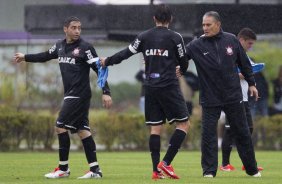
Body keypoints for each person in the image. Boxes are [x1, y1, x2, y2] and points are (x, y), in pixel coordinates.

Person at [13, 16, 112, 179]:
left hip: (79, 94)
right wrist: (25, 57)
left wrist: (106, 92)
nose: (77, 31)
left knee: (60, 126)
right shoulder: (59, 46)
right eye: (74, 27)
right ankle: (95, 171)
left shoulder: (86, 48)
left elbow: (99, 69)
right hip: (71, 94)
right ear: (65, 29)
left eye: (79, 28)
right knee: (82, 131)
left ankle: (63, 169)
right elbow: (45, 55)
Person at [100, 4, 190, 180]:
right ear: (170, 19)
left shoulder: (144, 36)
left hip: (149, 87)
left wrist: (107, 61)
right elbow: (184, 61)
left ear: (154, 19)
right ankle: (165, 163)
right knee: (184, 124)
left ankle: (156, 172)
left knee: (155, 128)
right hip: (169, 86)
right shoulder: (176, 37)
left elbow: (126, 53)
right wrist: (182, 69)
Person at [185, 11, 261, 177]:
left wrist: (252, 84)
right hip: (209, 97)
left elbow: (244, 64)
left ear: (218, 24)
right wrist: (168, 64)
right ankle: (209, 171)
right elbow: (180, 58)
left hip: (233, 96)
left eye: (208, 25)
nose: (204, 28)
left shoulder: (231, 40)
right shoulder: (196, 45)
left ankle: (252, 170)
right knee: (208, 135)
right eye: (203, 25)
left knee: (242, 132)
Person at [220, 28, 263, 172]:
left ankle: (248, 162)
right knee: (230, 131)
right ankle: (225, 164)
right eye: (249, 43)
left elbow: (248, 71)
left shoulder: (245, 56)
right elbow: (225, 72)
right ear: (241, 40)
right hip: (232, 98)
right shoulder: (229, 53)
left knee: (248, 129)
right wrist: (244, 73)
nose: (251, 46)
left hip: (244, 99)